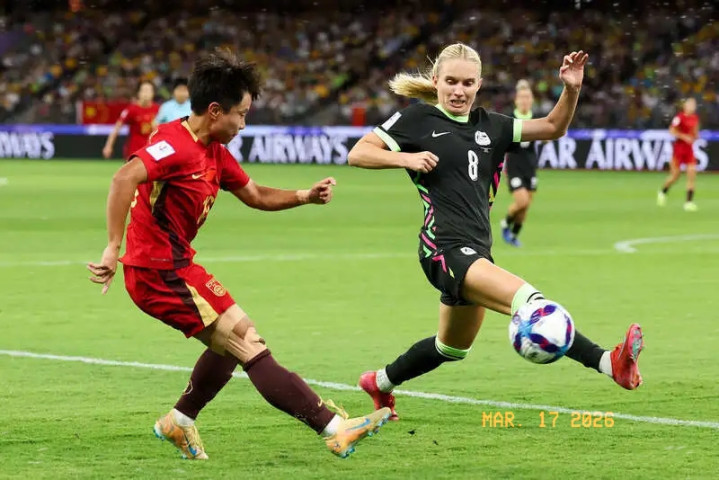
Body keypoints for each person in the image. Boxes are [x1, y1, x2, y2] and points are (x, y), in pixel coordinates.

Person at [87, 49, 390, 460]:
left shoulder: (213, 150)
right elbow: (124, 177)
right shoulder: (174, 145)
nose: (244, 124)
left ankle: (180, 420)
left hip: (177, 266)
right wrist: (112, 247)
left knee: (234, 337)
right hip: (157, 272)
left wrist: (305, 195)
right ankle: (334, 429)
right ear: (215, 111)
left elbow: (255, 194)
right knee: (245, 342)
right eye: (241, 114)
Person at [346, 43, 644, 422]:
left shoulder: (494, 126)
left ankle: (379, 382)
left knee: (451, 348)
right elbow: (358, 153)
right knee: (531, 303)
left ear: (479, 84)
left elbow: (553, 127)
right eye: (451, 81)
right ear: (436, 81)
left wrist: (571, 88)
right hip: (443, 249)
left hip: (477, 251)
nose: (458, 90)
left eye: (467, 83)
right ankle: (609, 362)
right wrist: (405, 157)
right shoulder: (417, 118)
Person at [500, 79, 539, 247]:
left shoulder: (536, 119)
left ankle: (514, 234)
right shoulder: (510, 118)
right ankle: (505, 223)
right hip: (514, 166)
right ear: (516, 100)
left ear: (532, 100)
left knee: (526, 205)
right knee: (521, 201)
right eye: (522, 97)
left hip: (530, 166)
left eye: (527, 97)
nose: (524, 100)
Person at [657, 98, 700, 211]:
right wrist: (684, 137)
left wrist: (695, 136)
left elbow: (695, 132)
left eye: (693, 105)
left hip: (689, 150)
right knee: (675, 176)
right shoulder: (679, 117)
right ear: (685, 106)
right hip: (679, 149)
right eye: (690, 104)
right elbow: (672, 130)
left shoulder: (695, 118)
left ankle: (688, 202)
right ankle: (663, 191)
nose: (692, 107)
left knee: (691, 174)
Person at [102, 81, 160, 160]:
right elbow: (117, 127)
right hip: (134, 152)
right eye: (143, 90)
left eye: (148, 90)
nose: (146, 93)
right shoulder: (131, 109)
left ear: (153, 93)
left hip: (152, 151)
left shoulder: (159, 110)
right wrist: (108, 146)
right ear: (138, 93)